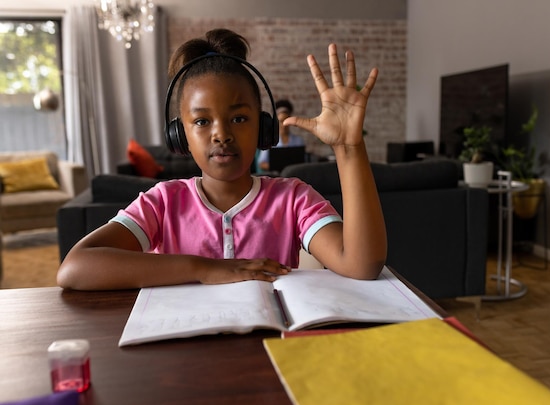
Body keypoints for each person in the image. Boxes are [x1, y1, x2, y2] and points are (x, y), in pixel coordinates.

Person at [57, 28, 386, 290]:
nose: (221, 134)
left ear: (263, 127)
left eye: (239, 118)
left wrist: (349, 148)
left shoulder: (293, 198)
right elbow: (74, 269)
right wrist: (203, 268)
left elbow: (361, 265)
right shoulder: (162, 203)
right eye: (201, 121)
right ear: (180, 134)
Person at [255, 98, 305, 172]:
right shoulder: (270, 142)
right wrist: (277, 167)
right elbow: (261, 163)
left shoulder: (299, 141)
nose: (284, 124)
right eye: (281, 121)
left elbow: (303, 162)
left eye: (286, 120)